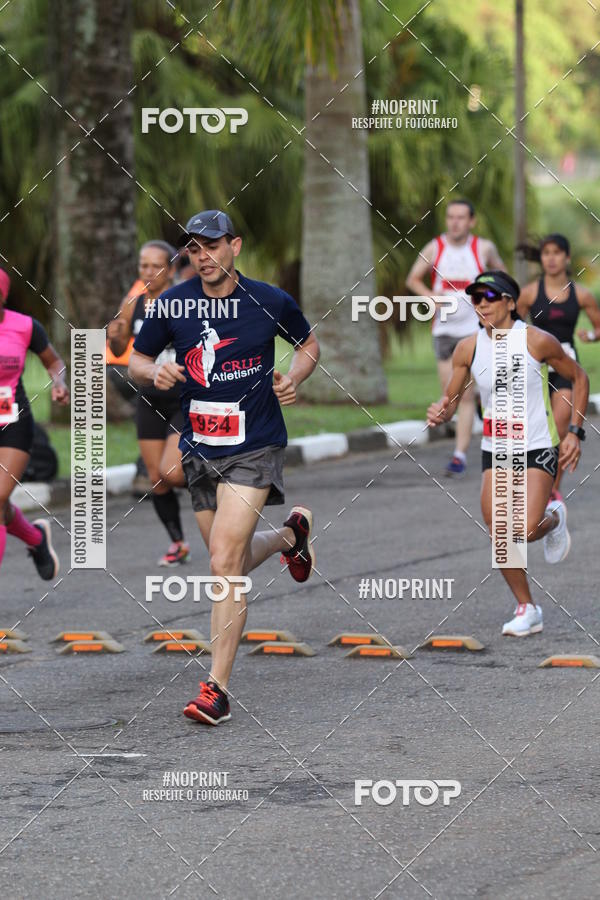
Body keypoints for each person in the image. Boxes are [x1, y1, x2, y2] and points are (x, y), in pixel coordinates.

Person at [129, 209, 320, 725]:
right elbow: (137, 358)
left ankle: (217, 688)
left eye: (212, 246)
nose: (203, 256)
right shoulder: (174, 301)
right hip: (200, 446)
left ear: (234, 245)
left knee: (222, 565)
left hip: (255, 443)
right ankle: (288, 538)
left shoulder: (269, 300)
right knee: (226, 558)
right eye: (193, 248)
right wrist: (158, 370)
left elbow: (308, 344)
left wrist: (294, 376)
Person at [427, 271, 589, 637]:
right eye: (476, 297)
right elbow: (451, 400)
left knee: (526, 529)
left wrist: (575, 433)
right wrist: (441, 411)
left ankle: (553, 519)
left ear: (511, 302)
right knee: (501, 532)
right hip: (495, 449)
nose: (481, 303)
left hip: (536, 445)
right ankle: (527, 607)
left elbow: (579, 378)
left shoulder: (536, 340)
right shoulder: (467, 348)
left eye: (490, 295)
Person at [407, 199, 506, 477]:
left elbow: (502, 275)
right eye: (451, 217)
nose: (455, 222)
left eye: (461, 217)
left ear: (471, 221)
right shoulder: (435, 247)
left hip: (474, 331)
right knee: (450, 396)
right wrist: (429, 297)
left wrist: (492, 298)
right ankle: (472, 407)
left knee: (463, 396)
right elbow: (412, 279)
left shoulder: (483, 248)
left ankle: (459, 455)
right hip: (444, 332)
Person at [107, 241, 189, 567]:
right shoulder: (133, 303)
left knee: (174, 471)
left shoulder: (186, 300)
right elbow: (118, 345)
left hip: (185, 398)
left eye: (156, 266)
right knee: (157, 478)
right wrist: (115, 333)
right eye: (143, 265)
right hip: (150, 398)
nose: (149, 272)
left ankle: (213, 491)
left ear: (169, 269)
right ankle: (178, 543)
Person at [517, 233, 600, 500]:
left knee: (561, 425)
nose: (551, 258)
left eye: (556, 253)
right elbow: (509, 328)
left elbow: (599, 326)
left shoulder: (582, 295)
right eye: (546, 253)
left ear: (566, 257)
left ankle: (553, 490)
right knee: (536, 427)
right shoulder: (529, 293)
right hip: (535, 367)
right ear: (541, 259)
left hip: (565, 366)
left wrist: (593, 335)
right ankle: (535, 480)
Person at [0, 267, 69, 578]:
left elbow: (54, 362)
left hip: (12, 420)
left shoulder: (25, 326)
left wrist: (60, 383)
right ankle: (37, 539)